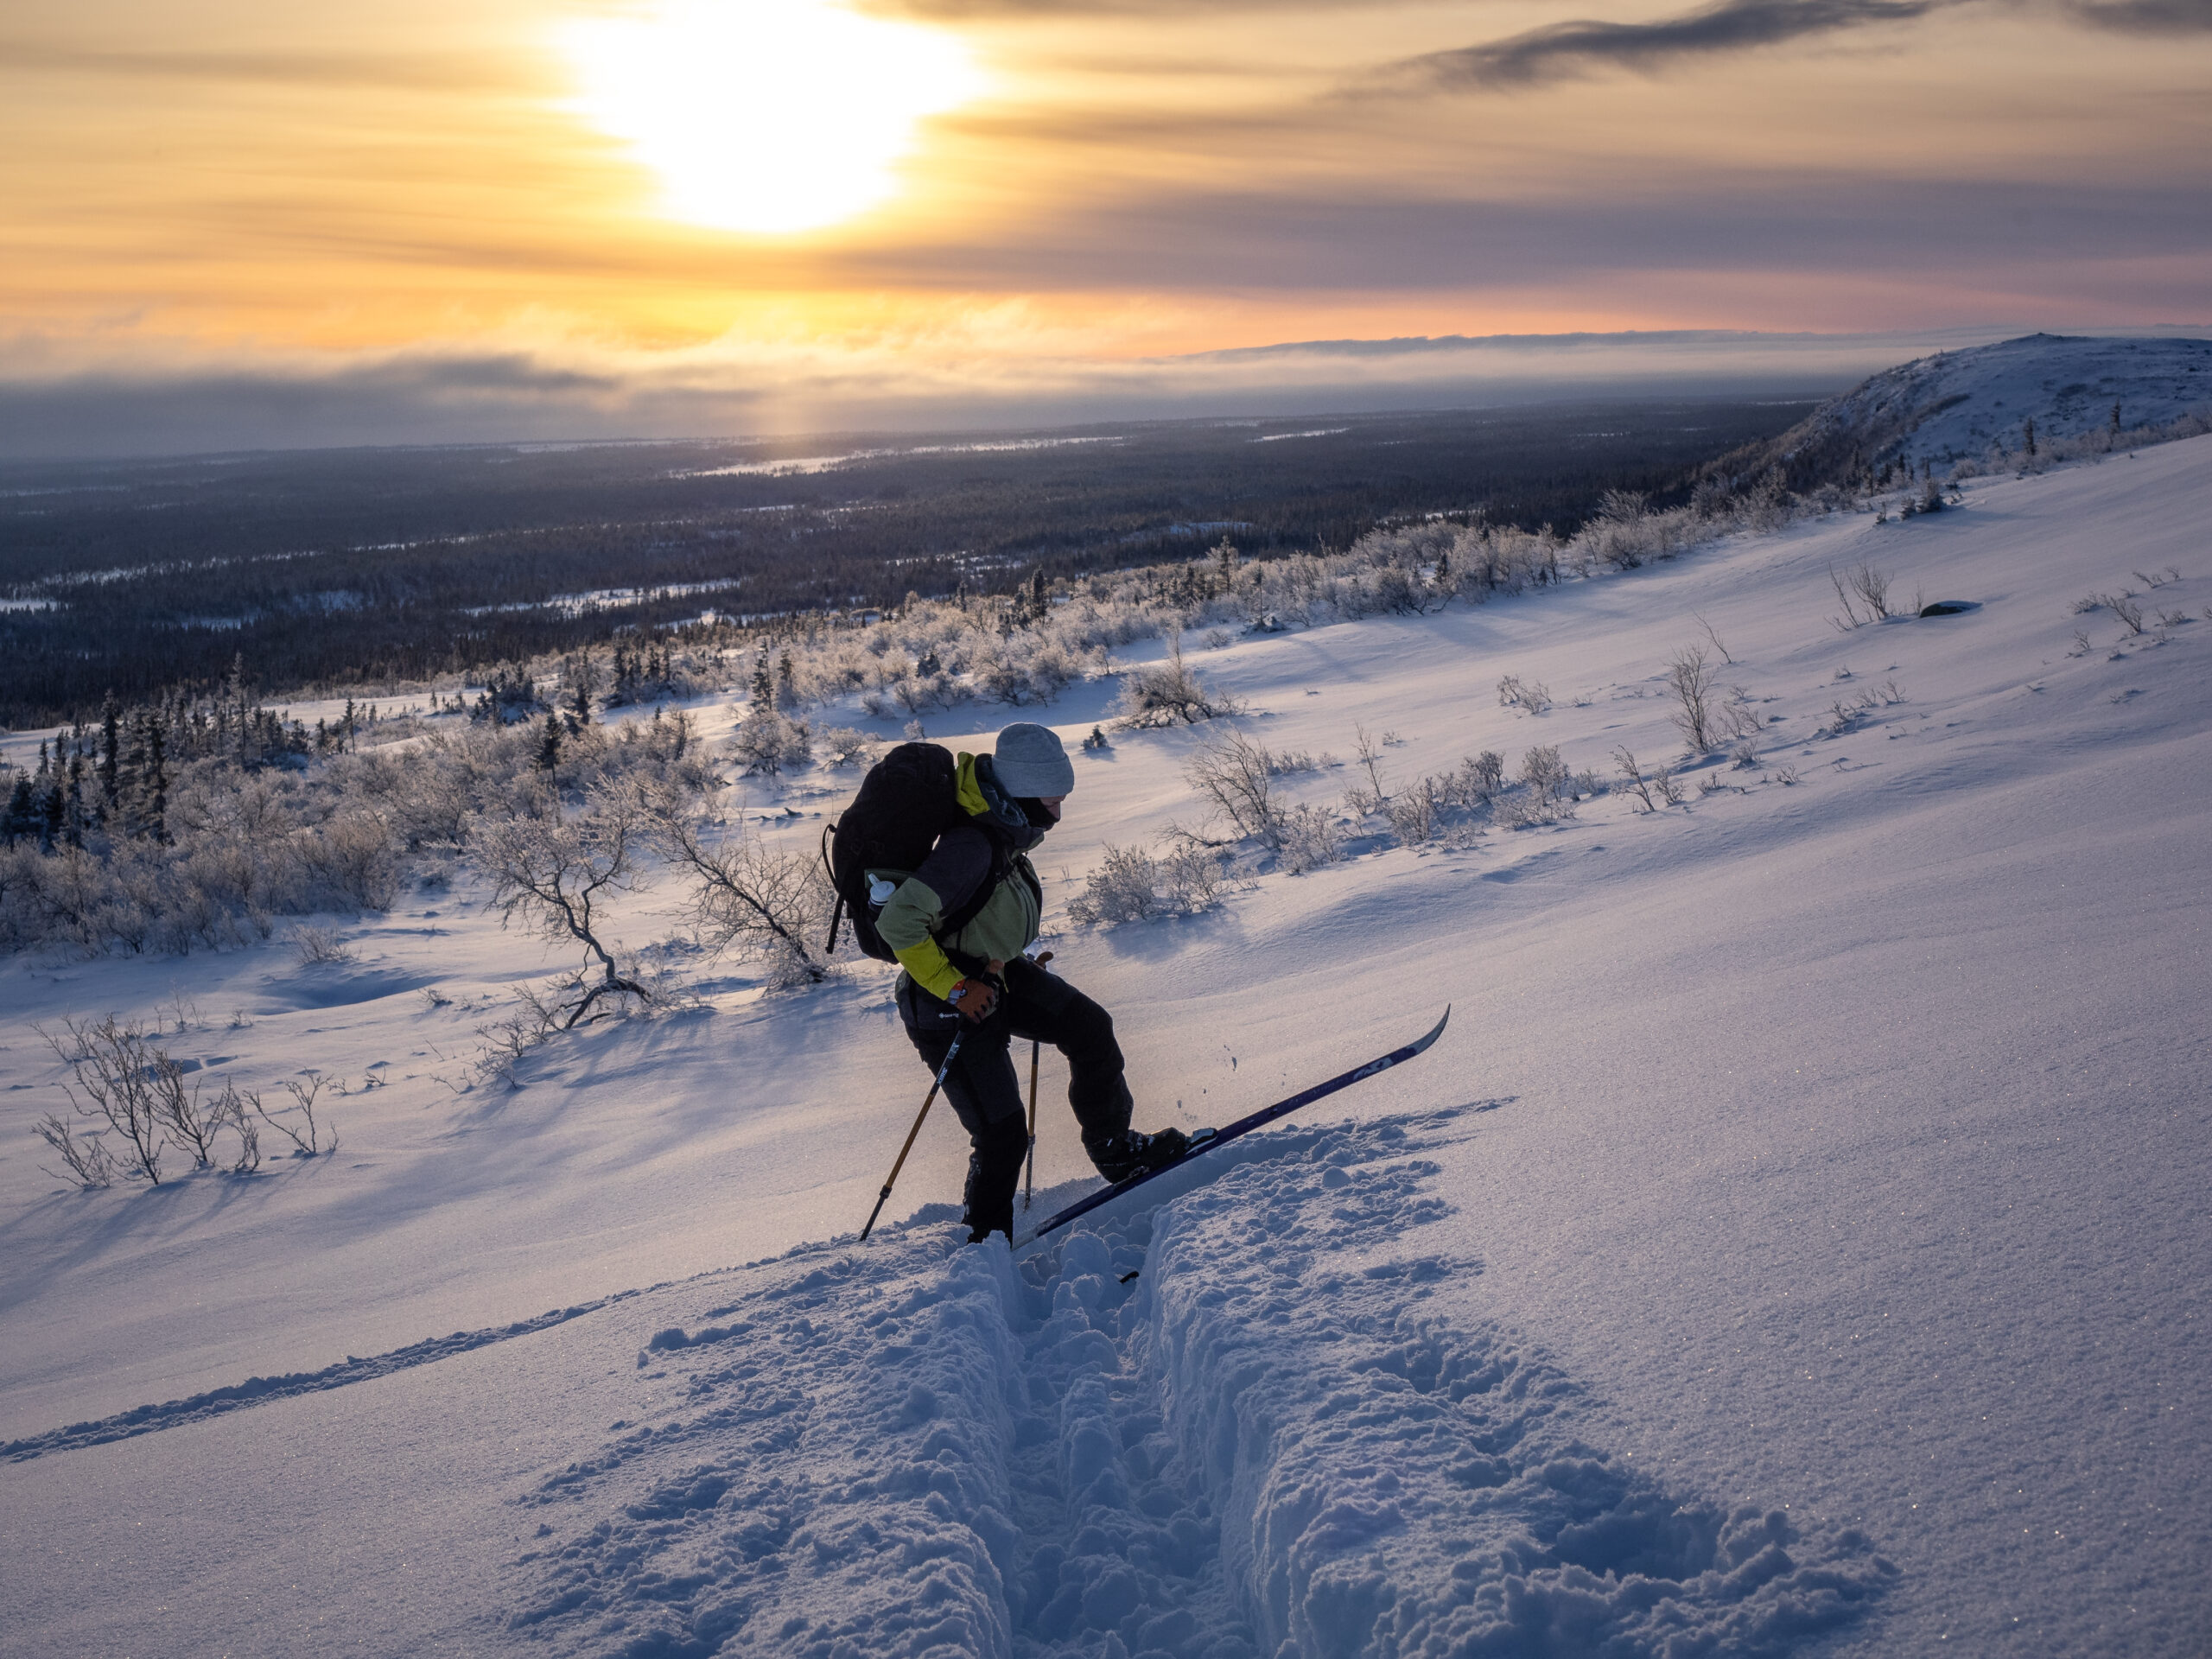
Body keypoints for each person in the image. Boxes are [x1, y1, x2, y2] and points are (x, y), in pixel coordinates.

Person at [877, 721, 1186, 1242]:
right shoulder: (972, 843)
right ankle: (984, 1242)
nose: (1059, 812)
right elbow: (898, 924)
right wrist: (956, 988)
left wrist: (1004, 952)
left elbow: (975, 909)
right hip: (947, 1002)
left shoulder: (1003, 824)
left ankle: (1114, 1150)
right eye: (1054, 798)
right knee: (1002, 1135)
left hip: (997, 973)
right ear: (1021, 788)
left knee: (1089, 1029)